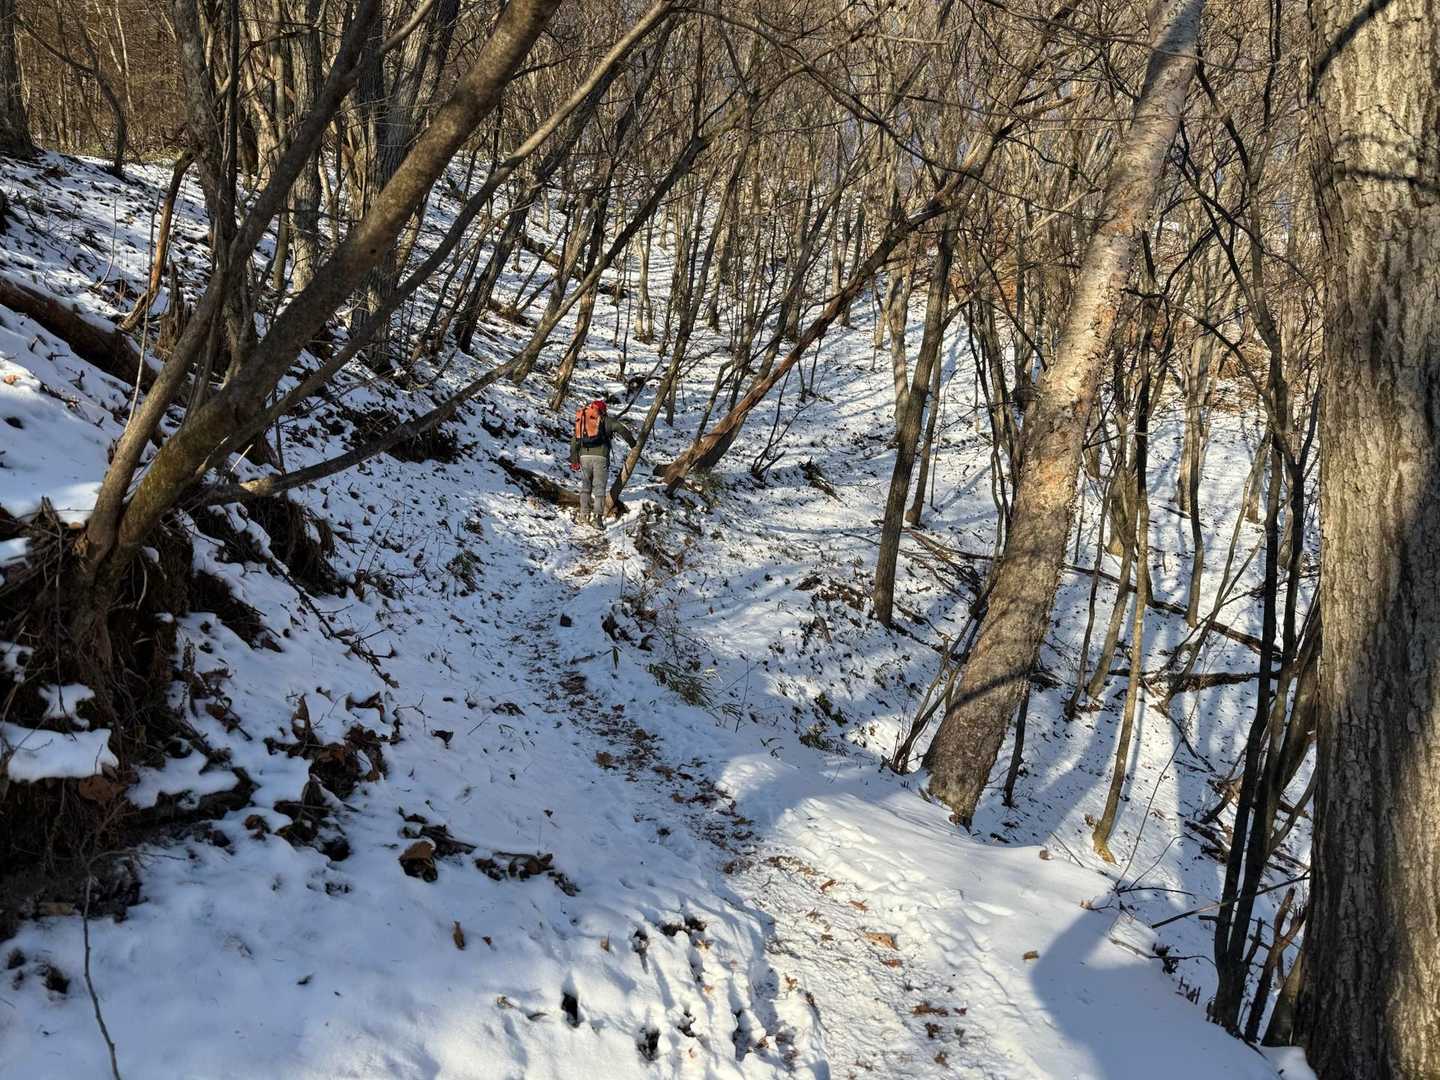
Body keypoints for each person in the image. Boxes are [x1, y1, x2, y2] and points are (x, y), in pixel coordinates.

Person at [568, 397, 635, 528]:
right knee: (599, 489)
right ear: (603, 411)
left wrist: (574, 459)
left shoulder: (584, 420)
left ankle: (584, 516)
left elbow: (574, 440)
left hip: (584, 457)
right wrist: (633, 444)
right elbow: (622, 429)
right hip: (601, 458)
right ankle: (597, 519)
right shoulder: (607, 421)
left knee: (586, 487)